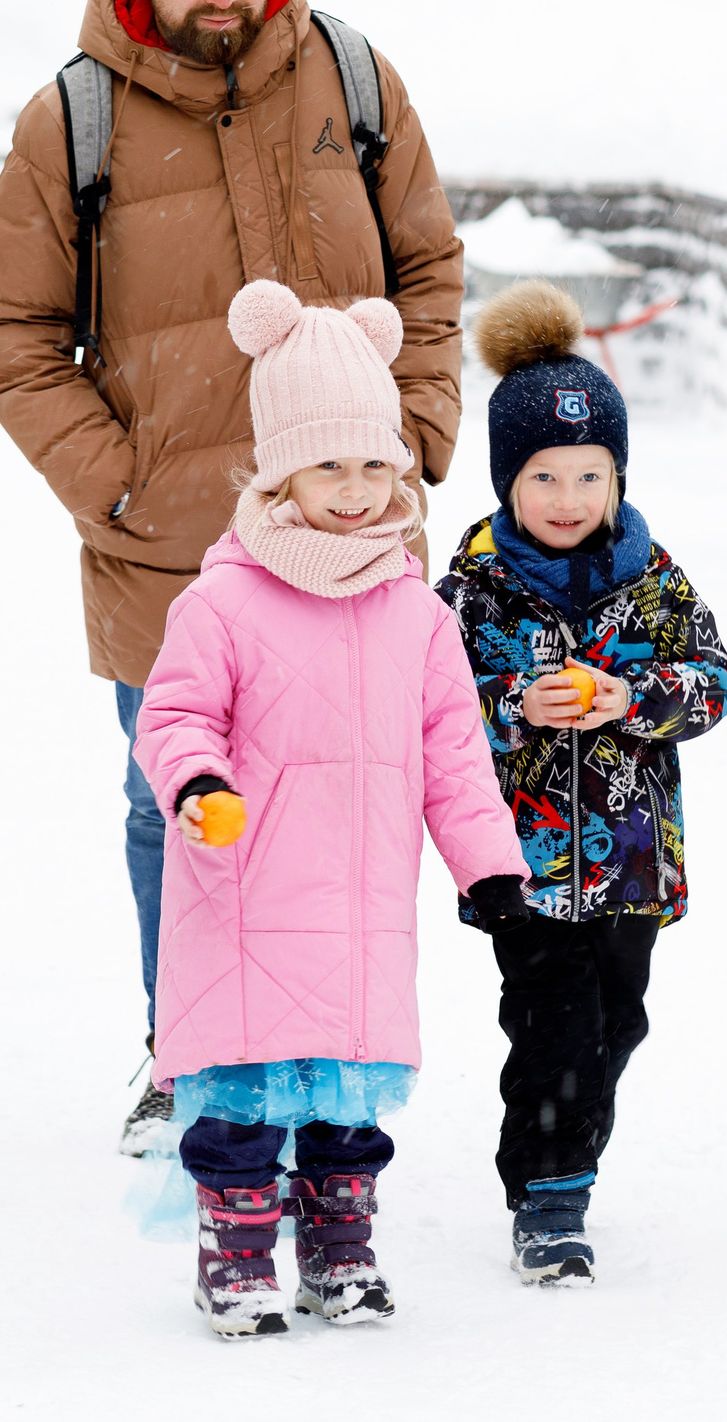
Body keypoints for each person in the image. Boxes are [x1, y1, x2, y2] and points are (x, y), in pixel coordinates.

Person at [0, 0, 465, 1157]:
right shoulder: (71, 116)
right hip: (170, 544)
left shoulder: (353, 79)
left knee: (345, 796)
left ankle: (322, 1057)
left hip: (355, 526)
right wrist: (117, 484)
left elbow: (426, 267)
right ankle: (185, 1051)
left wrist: (411, 438)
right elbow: (10, 330)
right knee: (174, 802)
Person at [134, 280, 530, 1335]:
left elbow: (455, 751)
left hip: (359, 908)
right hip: (247, 892)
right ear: (278, 473)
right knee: (243, 1105)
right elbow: (171, 720)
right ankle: (237, 1253)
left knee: (347, 1112)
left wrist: (488, 865)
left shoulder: (415, 613)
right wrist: (197, 787)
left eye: (374, 465)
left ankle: (340, 1252)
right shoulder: (219, 599)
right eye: (327, 467)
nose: (354, 491)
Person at [433, 282, 727, 1284]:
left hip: (632, 867)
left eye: (589, 476)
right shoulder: (472, 591)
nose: (568, 500)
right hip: (519, 863)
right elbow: (426, 711)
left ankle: (568, 1141)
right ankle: (550, 1194)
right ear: (505, 482)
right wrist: (515, 703)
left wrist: (630, 694)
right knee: (552, 1023)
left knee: (619, 1020)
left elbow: (715, 683)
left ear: (616, 477)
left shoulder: (652, 580)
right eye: (545, 478)